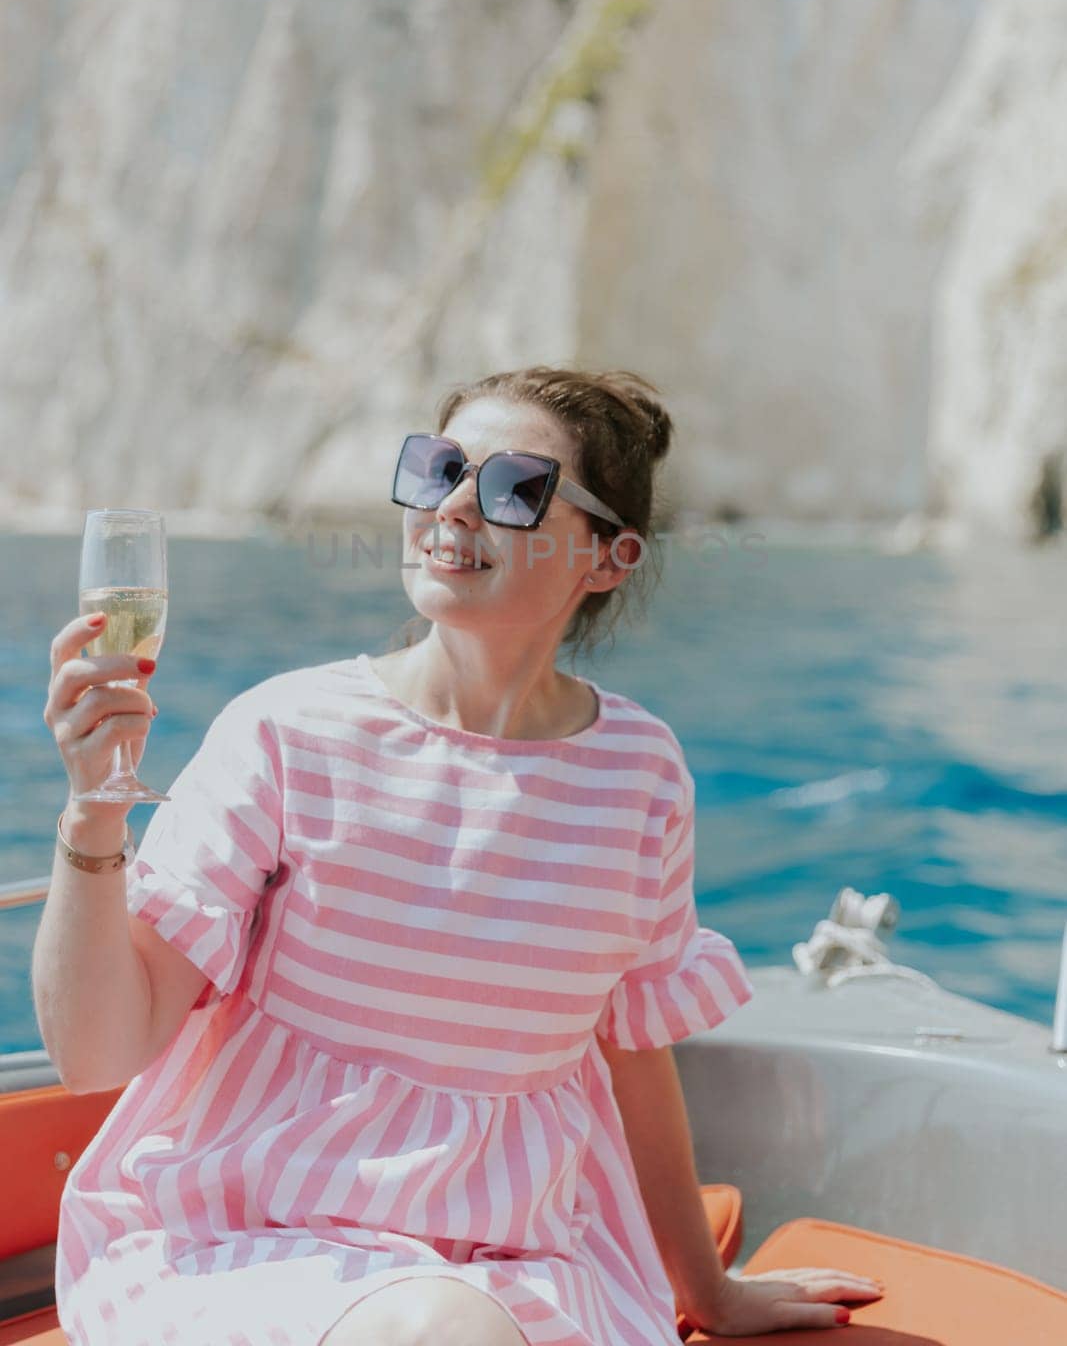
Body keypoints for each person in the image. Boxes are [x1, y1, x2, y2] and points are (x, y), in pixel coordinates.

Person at [36, 364, 884, 1345]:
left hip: (516, 1259)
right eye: (435, 467)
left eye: (512, 487)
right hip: (252, 1238)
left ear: (606, 558)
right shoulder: (286, 733)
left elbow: (629, 1054)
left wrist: (705, 1289)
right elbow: (97, 1051)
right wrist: (93, 812)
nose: (448, 506)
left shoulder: (640, 772)